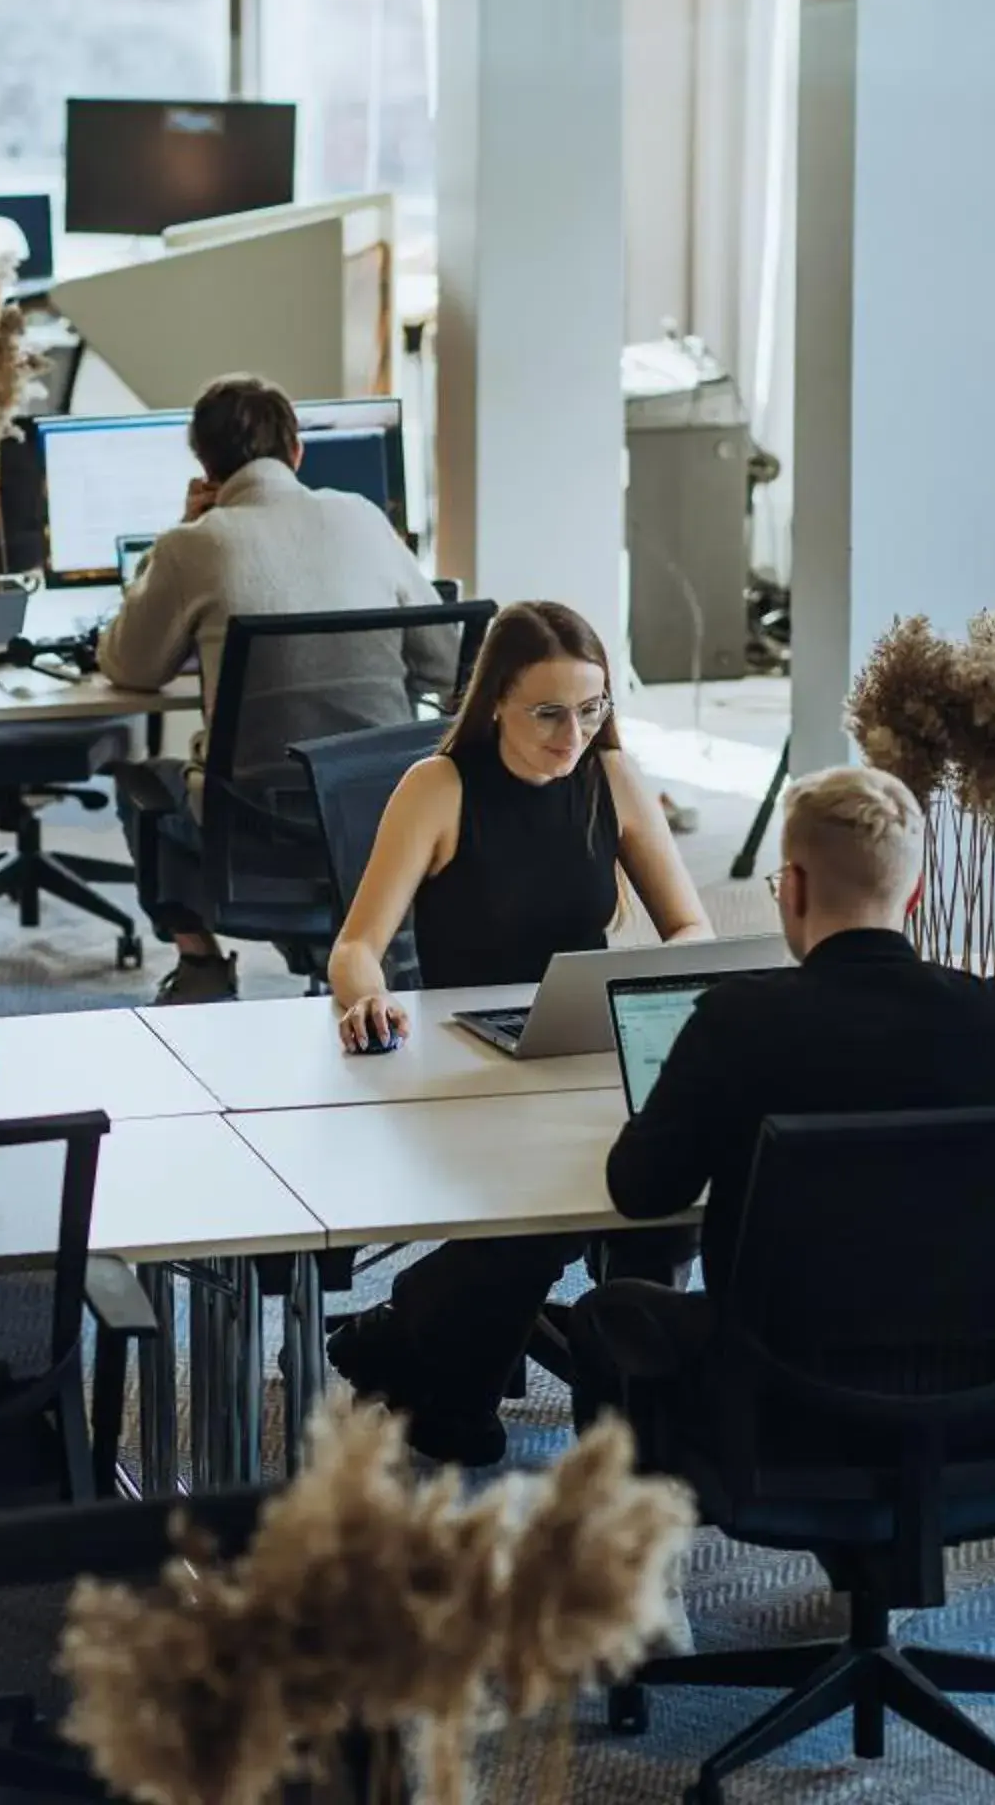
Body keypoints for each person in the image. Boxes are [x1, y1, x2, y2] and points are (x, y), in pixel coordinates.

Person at [317, 601, 714, 1463]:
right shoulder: (439, 787)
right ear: (496, 699)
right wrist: (365, 998)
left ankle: (617, 1415)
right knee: (463, 1423)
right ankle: (418, 1333)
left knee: (669, 1196)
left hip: (587, 1048)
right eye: (549, 712)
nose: (573, 734)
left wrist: (656, 984)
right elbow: (355, 946)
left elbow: (690, 930)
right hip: (470, 1063)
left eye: (593, 709)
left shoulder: (611, 779)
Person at [581, 765, 995, 1409]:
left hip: (780, 1401)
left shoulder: (738, 1021)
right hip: (985, 1396)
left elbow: (641, 1191)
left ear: (792, 887)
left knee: (606, 1314)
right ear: (916, 894)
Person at [97, 374, 459, 1005]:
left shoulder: (193, 544)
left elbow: (132, 666)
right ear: (297, 452)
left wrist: (177, 538)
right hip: (385, 819)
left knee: (144, 781)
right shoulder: (363, 519)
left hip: (259, 828)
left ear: (204, 463)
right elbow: (448, 663)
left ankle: (202, 965)